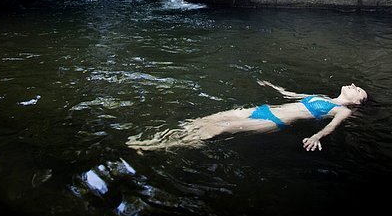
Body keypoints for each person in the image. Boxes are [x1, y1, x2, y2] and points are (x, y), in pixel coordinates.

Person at [126, 81, 367, 152]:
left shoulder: (342, 110)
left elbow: (332, 127)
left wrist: (317, 136)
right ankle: (161, 136)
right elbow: (292, 94)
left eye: (358, 90)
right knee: (206, 120)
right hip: (264, 109)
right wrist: (274, 87)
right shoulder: (322, 95)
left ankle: (158, 146)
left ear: (356, 102)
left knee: (218, 130)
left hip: (272, 121)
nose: (354, 85)